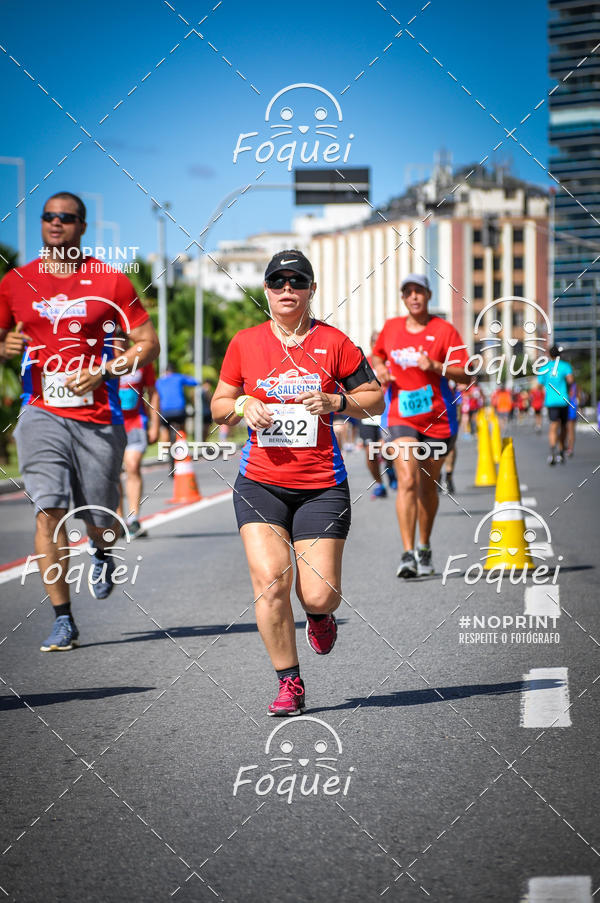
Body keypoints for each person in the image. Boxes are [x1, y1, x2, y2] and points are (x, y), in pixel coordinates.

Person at [211, 250, 384, 716]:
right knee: (270, 584)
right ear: (266, 289)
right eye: (278, 281)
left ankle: (321, 615)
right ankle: (290, 683)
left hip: (321, 484)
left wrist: (336, 400)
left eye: (297, 282)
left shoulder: (334, 341)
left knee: (318, 593)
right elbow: (219, 404)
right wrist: (244, 406)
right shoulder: (245, 342)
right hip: (260, 483)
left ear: (311, 290)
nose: (288, 290)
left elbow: (375, 399)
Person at [0, 191, 159, 652]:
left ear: (82, 227)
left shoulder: (110, 282)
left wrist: (106, 369)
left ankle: (103, 549)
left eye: (66, 218)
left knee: (98, 516)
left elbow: (147, 344)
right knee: (48, 508)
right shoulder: (15, 282)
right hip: (40, 413)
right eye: (49, 217)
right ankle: (63, 618)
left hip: (98, 418)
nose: (56, 224)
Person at [371, 274, 469, 578]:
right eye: (408, 292)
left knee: (428, 487)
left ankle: (424, 546)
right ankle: (407, 554)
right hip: (401, 416)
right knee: (408, 480)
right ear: (403, 298)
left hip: (439, 418)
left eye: (419, 291)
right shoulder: (391, 328)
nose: (413, 297)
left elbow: (466, 373)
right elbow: (377, 354)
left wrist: (436, 367)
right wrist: (379, 368)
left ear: (428, 295)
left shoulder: (445, 331)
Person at [118, 359, 160, 537]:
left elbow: (153, 392)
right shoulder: (102, 357)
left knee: (132, 465)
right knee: (113, 472)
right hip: (111, 423)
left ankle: (133, 519)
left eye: (122, 334)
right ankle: (118, 521)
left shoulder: (142, 361)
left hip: (136, 423)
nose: (118, 338)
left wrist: (155, 425)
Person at [359, 331, 397, 499]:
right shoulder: (364, 362)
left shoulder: (391, 362)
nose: (376, 345)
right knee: (370, 453)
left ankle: (391, 470)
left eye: (379, 342)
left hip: (388, 413)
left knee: (387, 449)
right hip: (368, 415)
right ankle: (380, 484)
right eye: (374, 342)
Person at [537, 344, 574, 465]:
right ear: (560, 354)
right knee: (564, 426)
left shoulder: (545, 368)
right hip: (563, 400)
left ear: (549, 355)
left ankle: (552, 451)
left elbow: (539, 384)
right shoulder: (565, 366)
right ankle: (561, 451)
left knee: (553, 426)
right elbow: (571, 381)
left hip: (551, 401)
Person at [156, 362, 197, 445]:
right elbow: (195, 382)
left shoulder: (159, 381)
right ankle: (182, 446)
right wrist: (186, 376)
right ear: (174, 371)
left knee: (164, 429)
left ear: (165, 372)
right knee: (182, 427)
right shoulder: (179, 377)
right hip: (179, 410)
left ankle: (164, 453)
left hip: (165, 411)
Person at [566, 380, 578, 457]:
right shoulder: (575, 385)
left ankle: (569, 448)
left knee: (568, 430)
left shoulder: (563, 385)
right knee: (571, 430)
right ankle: (570, 448)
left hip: (567, 408)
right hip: (572, 407)